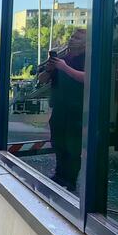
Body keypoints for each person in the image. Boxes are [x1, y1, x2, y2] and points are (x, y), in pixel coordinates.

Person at [38, 29, 86, 191]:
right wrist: (49, 69)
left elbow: (88, 78)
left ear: (86, 43)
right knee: (58, 143)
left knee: (73, 147)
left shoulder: (88, 59)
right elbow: (42, 80)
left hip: (77, 110)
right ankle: (59, 176)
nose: (72, 39)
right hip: (59, 109)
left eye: (77, 37)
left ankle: (70, 181)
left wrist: (64, 68)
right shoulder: (62, 59)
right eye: (72, 36)